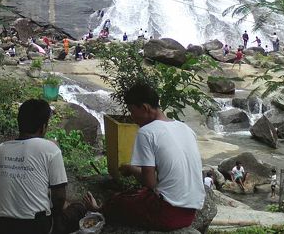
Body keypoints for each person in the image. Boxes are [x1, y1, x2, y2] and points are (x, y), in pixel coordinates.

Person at [83, 83, 205, 231]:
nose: (132, 117)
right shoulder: (185, 128)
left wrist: (132, 170)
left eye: (132, 111)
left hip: (168, 214)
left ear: (145, 108)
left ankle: (98, 210)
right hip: (190, 214)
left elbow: (150, 183)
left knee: (118, 201)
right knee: (138, 195)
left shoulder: (147, 132)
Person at [0, 99, 86, 234]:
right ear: (43, 127)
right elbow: (59, 197)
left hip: (1, 226)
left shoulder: (1, 149)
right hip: (35, 227)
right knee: (78, 208)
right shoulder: (50, 149)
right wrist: (55, 217)